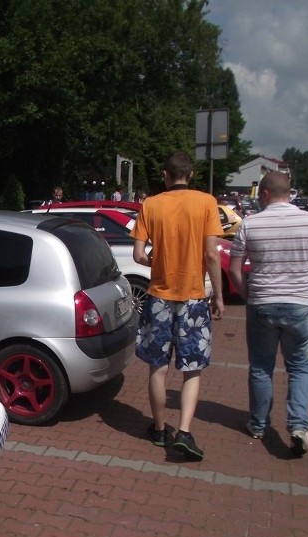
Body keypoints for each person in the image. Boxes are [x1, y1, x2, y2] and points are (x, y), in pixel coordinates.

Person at [228, 171, 308, 457]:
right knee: (301, 367)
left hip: (262, 303)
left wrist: (247, 295)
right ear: (289, 192)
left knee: (261, 367)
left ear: (264, 194)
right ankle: (299, 425)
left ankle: (258, 424)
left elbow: (235, 270)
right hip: (300, 305)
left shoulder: (250, 224)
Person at [130, 150, 224, 461]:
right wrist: (219, 295)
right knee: (192, 370)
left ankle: (159, 430)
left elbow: (138, 255)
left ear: (165, 176)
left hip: (158, 297)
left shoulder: (151, 204)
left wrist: (159, 260)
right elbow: (212, 255)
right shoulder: (207, 202)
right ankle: (183, 431)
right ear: (191, 175)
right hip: (194, 298)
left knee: (158, 367)